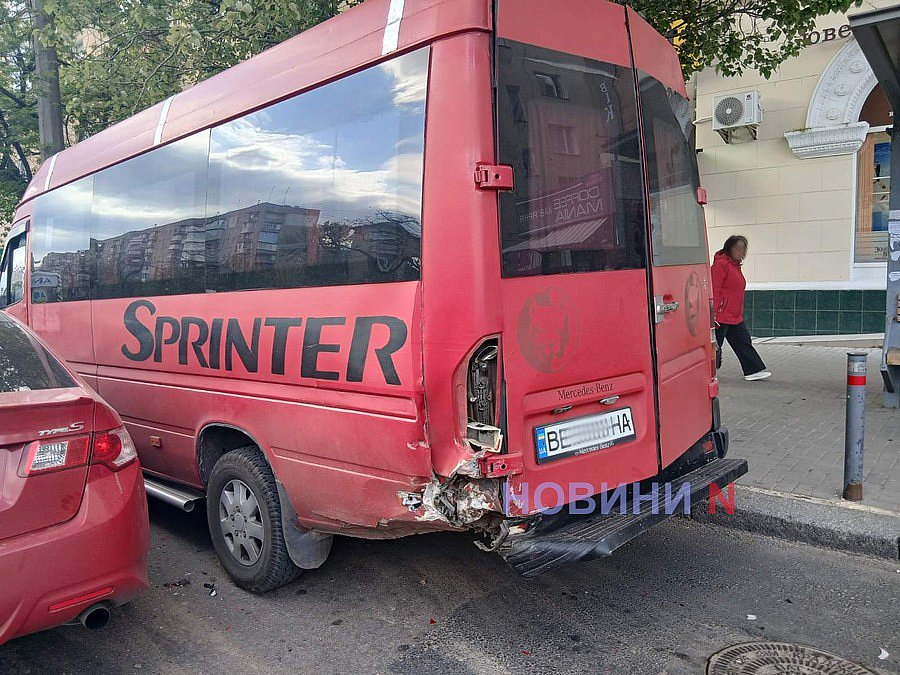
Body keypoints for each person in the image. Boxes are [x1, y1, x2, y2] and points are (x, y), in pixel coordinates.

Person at [711, 235, 771, 381]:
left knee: (743, 342)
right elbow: (714, 289)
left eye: (743, 248)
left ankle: (753, 370)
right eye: (737, 248)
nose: (741, 251)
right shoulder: (721, 265)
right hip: (721, 315)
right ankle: (706, 373)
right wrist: (713, 313)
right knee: (714, 346)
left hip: (734, 316)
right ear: (729, 248)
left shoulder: (735, 266)